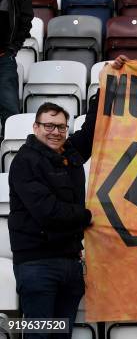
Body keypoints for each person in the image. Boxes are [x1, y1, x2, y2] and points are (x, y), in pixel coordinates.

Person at [8, 98, 98, 339]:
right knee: (38, 335)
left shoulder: (69, 152)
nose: (55, 132)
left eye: (60, 126)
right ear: (36, 127)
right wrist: (87, 215)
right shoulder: (24, 162)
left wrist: (106, 85)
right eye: (48, 126)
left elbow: (91, 132)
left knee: (60, 335)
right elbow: (48, 212)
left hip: (70, 264)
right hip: (38, 266)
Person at [0, 0, 33, 126]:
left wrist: (13, 47)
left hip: (3, 58)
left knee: (10, 111)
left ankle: (11, 148)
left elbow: (26, 22)